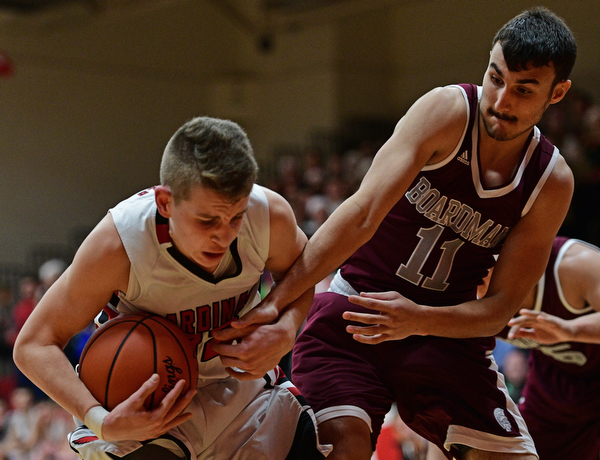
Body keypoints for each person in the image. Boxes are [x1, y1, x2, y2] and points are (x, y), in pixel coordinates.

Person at [213, 7, 577, 460]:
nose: (501, 100)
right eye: (496, 77)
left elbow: (499, 309)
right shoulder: (446, 112)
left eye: (524, 90)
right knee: (342, 449)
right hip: (357, 312)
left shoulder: (550, 181)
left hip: (446, 336)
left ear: (557, 92)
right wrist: (275, 303)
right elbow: (361, 213)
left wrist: (418, 318)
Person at [13, 117, 330, 460]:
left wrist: (286, 328)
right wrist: (101, 420)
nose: (223, 235)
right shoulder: (118, 244)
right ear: (165, 202)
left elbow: (304, 274)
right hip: (144, 411)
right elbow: (33, 345)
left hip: (240, 391)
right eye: (207, 220)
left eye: (235, 217)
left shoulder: (268, 216)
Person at [428, 236, 600, 460]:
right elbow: (447, 405)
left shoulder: (573, 264)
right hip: (558, 380)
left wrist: (570, 330)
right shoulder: (462, 299)